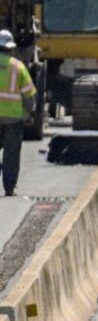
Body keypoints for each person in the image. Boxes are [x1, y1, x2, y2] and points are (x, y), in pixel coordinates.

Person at [0, 30, 36, 197]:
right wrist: (30, 112)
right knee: (11, 155)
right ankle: (9, 188)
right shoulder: (18, 67)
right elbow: (29, 95)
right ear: (11, 48)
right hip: (13, 119)